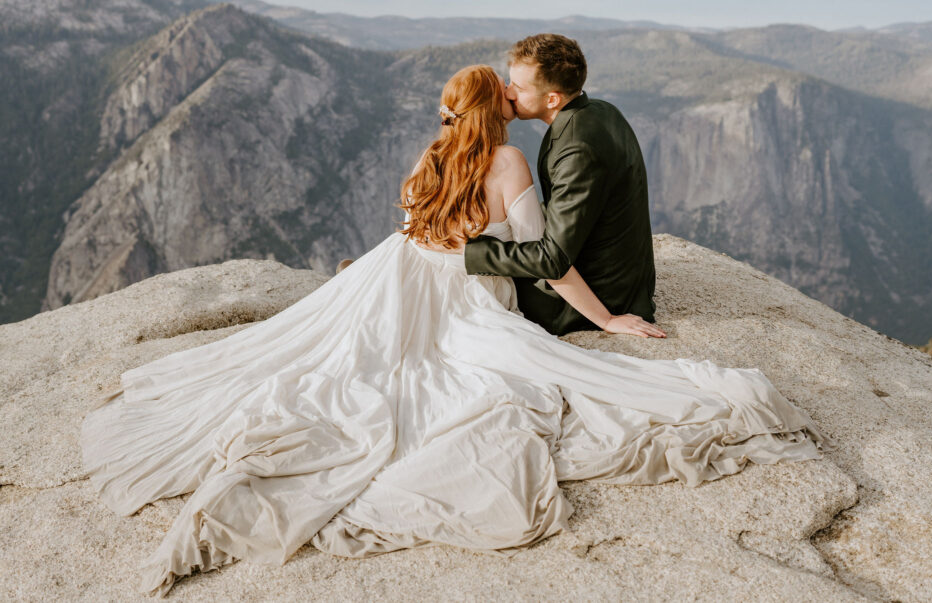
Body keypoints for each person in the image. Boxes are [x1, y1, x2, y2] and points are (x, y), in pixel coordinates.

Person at [80, 64, 829, 598]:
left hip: (394, 281)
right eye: (504, 93)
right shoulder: (507, 163)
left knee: (340, 372)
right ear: (497, 112)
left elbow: (409, 228)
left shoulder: (431, 156)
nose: (513, 97)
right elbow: (544, 263)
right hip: (463, 298)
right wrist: (609, 319)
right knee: (496, 388)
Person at [465, 34, 657, 337]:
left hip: (599, 296)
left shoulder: (577, 149)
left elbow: (552, 260)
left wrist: (470, 252)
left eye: (518, 87)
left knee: (473, 288)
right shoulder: (601, 111)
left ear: (552, 99)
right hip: (622, 275)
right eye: (509, 81)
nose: (508, 93)